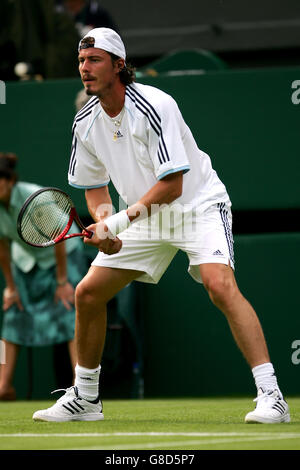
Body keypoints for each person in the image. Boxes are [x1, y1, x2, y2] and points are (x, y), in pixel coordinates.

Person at [33, 28, 290, 423]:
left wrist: (116, 222)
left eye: (95, 60)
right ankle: (85, 398)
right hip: (141, 217)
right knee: (88, 294)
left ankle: (272, 396)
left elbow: (172, 186)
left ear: (119, 65)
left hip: (196, 206)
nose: (85, 68)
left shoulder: (155, 105)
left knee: (219, 285)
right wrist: (104, 224)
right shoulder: (83, 122)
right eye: (81, 61)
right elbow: (95, 189)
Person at [0, 153, 88, 400]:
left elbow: (59, 237)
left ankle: (80, 387)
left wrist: (62, 282)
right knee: (9, 319)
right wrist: (10, 287)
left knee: (71, 314)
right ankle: (3, 386)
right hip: (26, 261)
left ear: (9, 181)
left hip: (63, 257)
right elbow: (2, 248)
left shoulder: (35, 198)